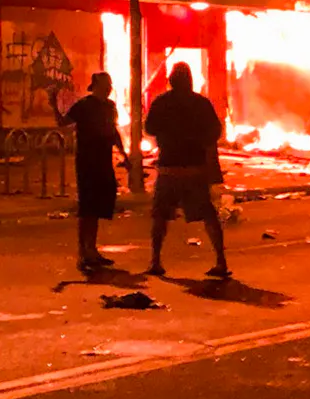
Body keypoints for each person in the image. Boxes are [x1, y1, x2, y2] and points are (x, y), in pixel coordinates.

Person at [143, 62, 228, 279]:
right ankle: (220, 261)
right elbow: (215, 131)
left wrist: (169, 133)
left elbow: (149, 128)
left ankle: (156, 261)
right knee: (208, 215)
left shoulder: (162, 102)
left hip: (169, 168)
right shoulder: (201, 103)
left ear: (171, 80)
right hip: (194, 169)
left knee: (160, 216)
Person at [58, 72, 125, 273]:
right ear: (96, 85)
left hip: (104, 161)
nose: (109, 87)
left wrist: (124, 155)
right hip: (87, 161)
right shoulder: (84, 106)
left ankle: (92, 249)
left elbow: (113, 131)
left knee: (98, 207)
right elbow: (63, 122)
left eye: (110, 84)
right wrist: (55, 105)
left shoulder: (110, 107)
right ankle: (83, 252)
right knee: (87, 207)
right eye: (106, 83)